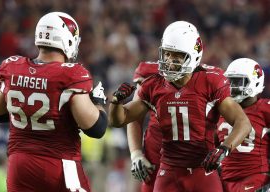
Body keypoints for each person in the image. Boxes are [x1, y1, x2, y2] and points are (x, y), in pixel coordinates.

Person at [108, 20, 252, 192]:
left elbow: (243, 123)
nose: (169, 61)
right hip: (168, 170)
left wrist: (224, 148)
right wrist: (116, 102)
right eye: (167, 54)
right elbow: (120, 119)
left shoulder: (210, 81)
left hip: (202, 170)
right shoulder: (154, 84)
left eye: (176, 56)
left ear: (194, 55)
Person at [0, 12, 107, 192]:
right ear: (67, 39)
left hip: (19, 164)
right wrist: (98, 102)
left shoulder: (14, 68)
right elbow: (96, 128)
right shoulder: (71, 74)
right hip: (60, 165)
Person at [216, 58, 270, 192]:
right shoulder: (219, 110)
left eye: (238, 81)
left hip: (256, 180)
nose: (232, 86)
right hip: (224, 181)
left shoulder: (266, 109)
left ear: (255, 82)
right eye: (230, 81)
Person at [127, 61, 161, 192]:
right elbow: (133, 117)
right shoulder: (149, 71)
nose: (139, 88)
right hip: (155, 156)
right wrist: (136, 154)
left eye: (143, 83)